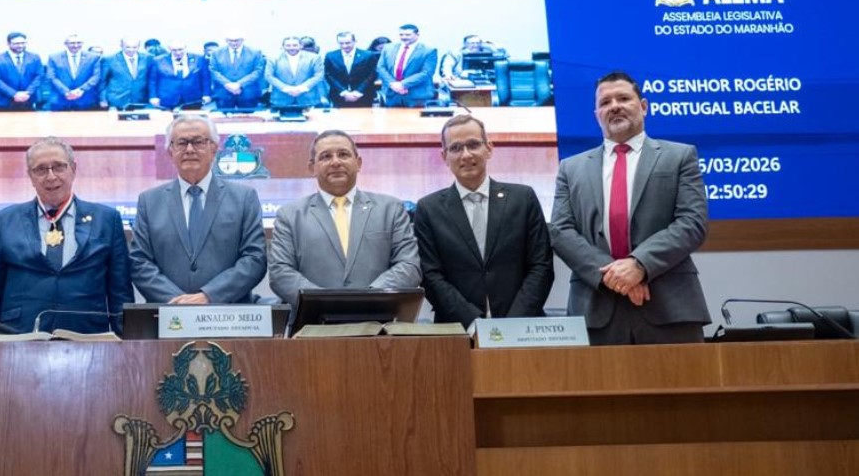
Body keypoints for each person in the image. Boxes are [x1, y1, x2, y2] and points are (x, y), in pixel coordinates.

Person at [551, 71, 709, 345]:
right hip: (595, 309)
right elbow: (561, 231)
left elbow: (692, 222)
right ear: (596, 114)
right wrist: (615, 275)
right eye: (605, 102)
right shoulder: (571, 168)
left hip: (670, 306)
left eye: (623, 98)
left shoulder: (680, 156)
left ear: (644, 106)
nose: (614, 106)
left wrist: (640, 265)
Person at [0, 137, 131, 335]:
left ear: (73, 169)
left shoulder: (107, 219)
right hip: (19, 337)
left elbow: (121, 293)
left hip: (88, 337)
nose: (51, 177)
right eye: (40, 169)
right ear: (30, 176)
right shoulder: (4, 220)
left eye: (58, 167)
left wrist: (126, 345)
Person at [412, 115, 552, 327]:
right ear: (444, 156)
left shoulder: (523, 198)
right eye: (456, 148)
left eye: (473, 145)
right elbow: (431, 276)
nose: (466, 155)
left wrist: (511, 326)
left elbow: (541, 266)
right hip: (458, 331)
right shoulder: (428, 209)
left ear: (489, 148)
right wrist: (473, 323)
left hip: (523, 329)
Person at [268, 130, 419, 307]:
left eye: (343, 154)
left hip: (380, 321)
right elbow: (280, 273)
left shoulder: (391, 209)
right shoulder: (290, 215)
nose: (336, 162)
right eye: (325, 157)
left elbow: (409, 266)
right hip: (313, 324)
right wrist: (326, 303)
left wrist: (369, 300)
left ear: (358, 163)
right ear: (312, 168)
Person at [130, 115, 266, 304]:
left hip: (229, 317)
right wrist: (179, 301)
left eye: (198, 142)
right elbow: (140, 262)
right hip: (169, 316)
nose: (189, 150)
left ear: (214, 149)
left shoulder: (244, 198)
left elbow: (254, 259)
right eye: (181, 143)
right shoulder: (149, 201)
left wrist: (209, 296)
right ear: (170, 151)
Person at [376, 24, 438, 107]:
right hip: (392, 94)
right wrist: (392, 84)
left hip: (417, 95)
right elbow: (381, 67)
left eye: (408, 35)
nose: (404, 37)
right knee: (392, 119)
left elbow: (427, 72)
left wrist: (403, 84)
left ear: (417, 35)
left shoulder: (428, 51)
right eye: (401, 34)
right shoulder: (388, 48)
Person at [0, 31, 45, 110]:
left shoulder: (34, 57)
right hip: (4, 101)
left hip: (28, 100)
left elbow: (39, 76)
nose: (20, 46)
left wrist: (28, 93)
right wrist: (14, 94)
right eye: (16, 43)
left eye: (23, 43)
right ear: (8, 44)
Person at [208, 32, 265, 111]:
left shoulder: (255, 53)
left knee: (248, 120)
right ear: (226, 41)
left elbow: (258, 71)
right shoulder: (216, 53)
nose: (233, 43)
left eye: (236, 40)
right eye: (230, 41)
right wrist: (227, 84)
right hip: (224, 94)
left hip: (248, 94)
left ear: (242, 40)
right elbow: (213, 70)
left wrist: (239, 84)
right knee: (223, 121)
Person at [148, 40, 211, 109]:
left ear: (185, 47)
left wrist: (206, 94)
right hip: (167, 98)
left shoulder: (199, 59)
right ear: (169, 49)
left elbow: (205, 78)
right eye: (174, 50)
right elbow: (152, 81)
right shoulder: (158, 61)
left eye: (180, 49)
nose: (178, 52)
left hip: (193, 99)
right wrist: (153, 96)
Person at [46, 33, 102, 110]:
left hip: (85, 99)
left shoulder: (93, 57)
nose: (76, 45)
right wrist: (66, 92)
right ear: (65, 44)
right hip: (60, 100)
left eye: (79, 43)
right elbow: (51, 77)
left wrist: (81, 89)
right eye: (72, 43)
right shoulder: (54, 57)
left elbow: (96, 76)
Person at [265, 36, 325, 108]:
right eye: (288, 45)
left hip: (308, 99)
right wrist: (286, 89)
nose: (291, 48)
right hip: (281, 99)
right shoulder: (273, 58)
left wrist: (301, 89)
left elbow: (319, 75)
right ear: (283, 46)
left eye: (295, 45)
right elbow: (268, 76)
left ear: (300, 46)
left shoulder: (314, 57)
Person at [324, 31, 379, 108]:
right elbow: (328, 75)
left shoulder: (368, 55)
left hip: (364, 95)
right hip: (339, 96)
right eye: (341, 43)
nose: (344, 46)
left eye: (348, 43)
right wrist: (343, 92)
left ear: (355, 41)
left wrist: (358, 91)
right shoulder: (330, 56)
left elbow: (372, 74)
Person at [99, 38, 151, 110]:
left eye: (134, 47)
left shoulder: (148, 58)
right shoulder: (109, 59)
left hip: (140, 100)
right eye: (128, 47)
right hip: (116, 100)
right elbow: (102, 81)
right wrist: (102, 99)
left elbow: (151, 79)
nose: (131, 50)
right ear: (121, 46)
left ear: (139, 46)